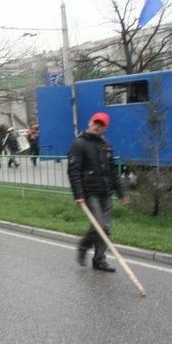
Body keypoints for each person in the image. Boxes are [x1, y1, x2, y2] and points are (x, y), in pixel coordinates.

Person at [68, 112, 129, 272]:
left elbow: (112, 171)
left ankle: (99, 260)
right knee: (100, 226)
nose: (97, 126)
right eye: (95, 123)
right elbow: (73, 171)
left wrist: (121, 192)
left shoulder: (106, 144)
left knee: (105, 229)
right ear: (90, 122)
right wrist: (78, 195)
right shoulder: (79, 143)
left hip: (106, 193)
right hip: (90, 193)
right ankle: (83, 247)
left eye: (101, 125)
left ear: (105, 128)